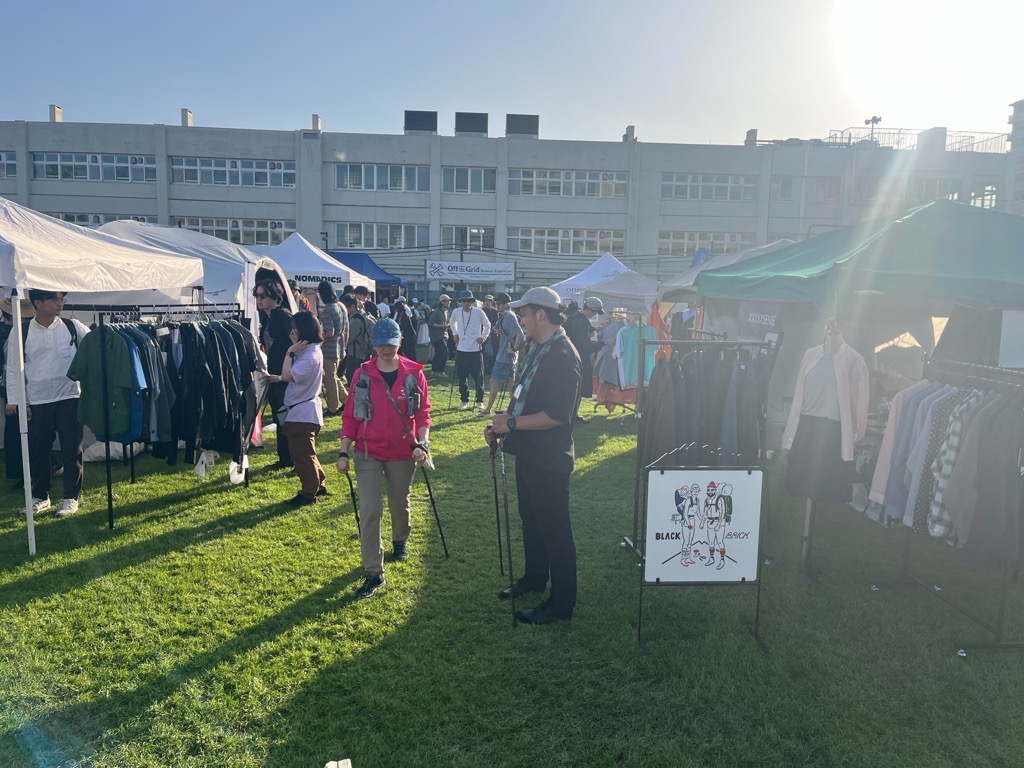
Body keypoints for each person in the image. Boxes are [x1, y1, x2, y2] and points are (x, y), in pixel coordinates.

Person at [486, 286, 581, 625]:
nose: (520, 319)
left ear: (541, 314)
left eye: (523, 313)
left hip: (549, 459)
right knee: (532, 520)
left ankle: (561, 604)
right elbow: (524, 399)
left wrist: (510, 423)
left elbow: (557, 415)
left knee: (555, 530)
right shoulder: (539, 348)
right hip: (529, 453)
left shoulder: (562, 355)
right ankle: (535, 578)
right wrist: (502, 425)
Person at [337, 317, 431, 599]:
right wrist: (343, 450)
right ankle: (373, 572)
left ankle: (399, 539)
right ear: (373, 344)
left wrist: (423, 443)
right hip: (367, 452)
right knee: (370, 511)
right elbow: (350, 415)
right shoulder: (362, 374)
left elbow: (423, 412)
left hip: (403, 451)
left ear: (400, 341)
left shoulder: (414, 372)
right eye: (380, 345)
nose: (386, 349)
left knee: (399, 503)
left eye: (391, 344)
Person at [4, 290, 90, 516]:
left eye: (62, 299)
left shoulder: (73, 326)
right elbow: (12, 367)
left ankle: (70, 497)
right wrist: (18, 401)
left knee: (72, 449)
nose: (60, 303)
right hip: (37, 399)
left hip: (70, 396)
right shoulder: (21, 331)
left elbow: (94, 346)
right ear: (38, 303)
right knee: (39, 450)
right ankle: (41, 496)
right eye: (54, 299)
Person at [267, 311, 327, 506]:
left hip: (302, 412)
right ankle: (319, 484)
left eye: (294, 328)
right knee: (307, 453)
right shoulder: (312, 350)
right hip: (305, 409)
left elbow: (288, 375)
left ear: (303, 330)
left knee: (301, 456)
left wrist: (289, 352)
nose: (291, 331)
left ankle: (308, 493)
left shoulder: (309, 356)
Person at [254, 279, 295, 470]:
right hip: (274, 375)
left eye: (263, 295)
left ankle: (289, 458)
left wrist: (290, 364)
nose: (259, 299)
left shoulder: (282, 315)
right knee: (280, 418)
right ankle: (285, 457)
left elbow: (297, 340)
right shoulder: (268, 317)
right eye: (257, 295)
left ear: (274, 296)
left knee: (285, 418)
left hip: (285, 376)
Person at [480, 292, 523, 416]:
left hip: (505, 356)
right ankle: (516, 410)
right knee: (510, 385)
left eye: (499, 304)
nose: (496, 306)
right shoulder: (504, 315)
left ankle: (487, 410)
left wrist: (514, 348)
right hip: (508, 356)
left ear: (506, 304)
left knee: (493, 381)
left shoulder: (509, 316)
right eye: (495, 303)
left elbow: (519, 334)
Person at [563, 296, 606, 418]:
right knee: (578, 389)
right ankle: (573, 416)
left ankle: (573, 415)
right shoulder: (580, 321)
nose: (595, 315)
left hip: (574, 358)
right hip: (579, 359)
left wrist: (594, 328)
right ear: (590, 309)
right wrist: (604, 343)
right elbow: (585, 346)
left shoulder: (578, 317)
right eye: (595, 312)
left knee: (576, 389)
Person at [449, 290, 491, 410]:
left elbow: (487, 325)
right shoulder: (456, 312)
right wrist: (455, 333)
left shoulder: (479, 312)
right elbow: (451, 322)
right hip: (461, 349)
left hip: (475, 350)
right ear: (460, 302)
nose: (466, 303)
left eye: (468, 300)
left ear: (472, 301)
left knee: (478, 377)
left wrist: (483, 337)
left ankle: (479, 400)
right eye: (463, 301)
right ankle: (464, 400)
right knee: (462, 377)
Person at [316, 280, 348, 417]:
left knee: (329, 380)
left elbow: (329, 332)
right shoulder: (340, 306)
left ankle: (332, 408)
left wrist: (317, 338)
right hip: (339, 346)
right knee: (334, 377)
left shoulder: (329, 309)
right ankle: (347, 401)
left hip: (329, 348)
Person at [341, 294, 376, 383]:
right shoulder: (366, 314)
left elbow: (349, 339)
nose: (344, 310)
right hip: (366, 352)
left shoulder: (355, 320)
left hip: (355, 355)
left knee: (353, 380)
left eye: (345, 307)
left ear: (352, 306)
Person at [427, 295, 451, 378]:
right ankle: (439, 371)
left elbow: (446, 323)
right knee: (444, 353)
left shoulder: (446, 312)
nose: (449, 302)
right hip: (436, 336)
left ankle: (434, 371)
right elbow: (431, 323)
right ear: (442, 302)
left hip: (443, 335)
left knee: (438, 354)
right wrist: (443, 326)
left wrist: (446, 331)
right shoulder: (436, 311)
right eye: (447, 301)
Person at [392, 297, 418, 361]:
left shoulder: (405, 314)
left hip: (407, 336)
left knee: (409, 351)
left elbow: (406, 325)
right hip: (403, 336)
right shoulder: (400, 314)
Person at [481, 294, 499, 375]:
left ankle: (490, 369)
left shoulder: (495, 312)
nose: (487, 302)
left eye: (489, 301)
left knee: (493, 353)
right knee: (484, 353)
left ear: (492, 302)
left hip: (493, 335)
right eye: (486, 300)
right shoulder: (482, 311)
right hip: (483, 334)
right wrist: (486, 333)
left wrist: (492, 331)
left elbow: (497, 323)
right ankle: (483, 368)